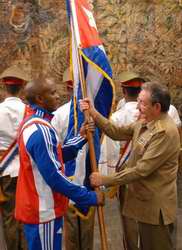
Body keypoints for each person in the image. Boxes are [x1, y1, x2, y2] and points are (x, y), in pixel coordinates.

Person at [80, 81, 180, 250]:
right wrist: (94, 113)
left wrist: (105, 179)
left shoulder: (165, 132)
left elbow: (142, 170)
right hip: (143, 202)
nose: (137, 107)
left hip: (155, 208)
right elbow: (116, 132)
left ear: (156, 107)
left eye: (142, 103)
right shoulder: (146, 122)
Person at [15, 75, 104, 250]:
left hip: (37, 207)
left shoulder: (34, 122)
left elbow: (54, 155)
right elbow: (54, 176)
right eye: (53, 92)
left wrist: (80, 139)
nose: (58, 96)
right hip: (43, 209)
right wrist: (89, 196)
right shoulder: (41, 129)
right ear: (40, 99)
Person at [52, 68, 96, 250]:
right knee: (86, 231)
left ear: (67, 88)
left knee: (70, 230)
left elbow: (55, 148)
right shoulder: (92, 114)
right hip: (87, 176)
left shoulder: (58, 115)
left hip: (68, 178)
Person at [0, 65, 29, 250]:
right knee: (26, 215)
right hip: (25, 170)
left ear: (4, 86)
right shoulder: (29, 111)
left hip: (5, 170)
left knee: (10, 218)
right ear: (23, 87)